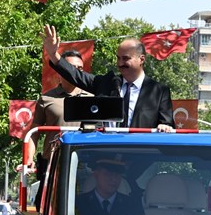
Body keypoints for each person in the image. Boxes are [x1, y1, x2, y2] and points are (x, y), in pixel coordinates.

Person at [43, 26, 174, 130]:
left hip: (140, 153)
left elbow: (167, 125)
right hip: (106, 151)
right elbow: (76, 75)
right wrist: (54, 54)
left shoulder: (158, 92)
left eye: (125, 58)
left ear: (142, 59)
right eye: (118, 58)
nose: (120, 63)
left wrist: (165, 127)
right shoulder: (107, 83)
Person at [24, 49, 91, 181]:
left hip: (83, 164)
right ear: (61, 70)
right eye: (71, 68)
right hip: (52, 163)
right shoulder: (46, 99)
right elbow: (34, 133)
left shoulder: (92, 98)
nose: (75, 72)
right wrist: (28, 158)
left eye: (80, 69)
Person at [74, 156, 145, 215]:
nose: (114, 179)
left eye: (117, 174)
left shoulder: (132, 205)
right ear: (96, 175)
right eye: (108, 174)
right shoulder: (79, 204)